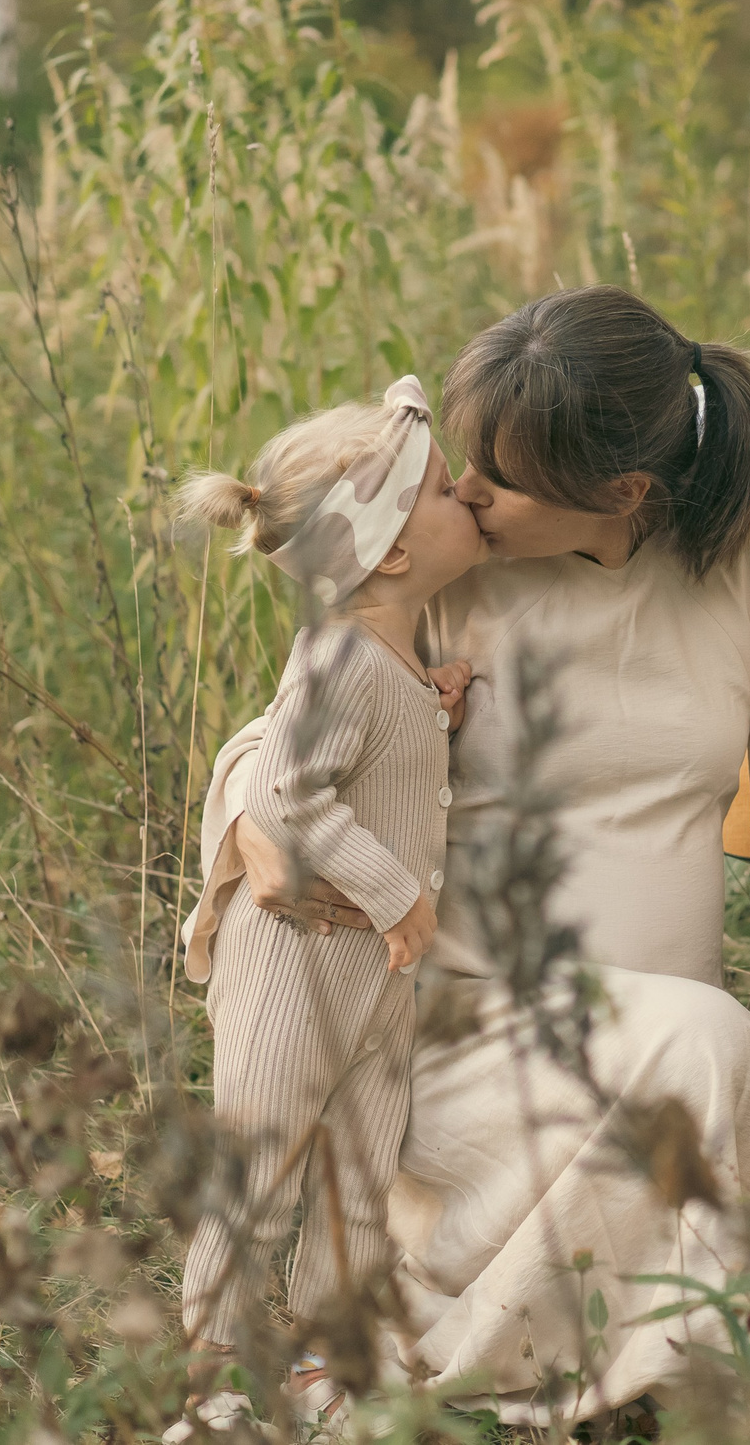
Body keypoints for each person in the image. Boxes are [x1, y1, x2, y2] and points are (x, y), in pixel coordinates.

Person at [199, 285, 750, 1427]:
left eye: (499, 475)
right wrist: (248, 812)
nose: (464, 487)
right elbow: (287, 731)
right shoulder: (444, 565)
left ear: (622, 492)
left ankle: (686, 1319)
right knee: (702, 1052)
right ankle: (483, 1351)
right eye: (462, 456)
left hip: (653, 1035)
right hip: (455, 1032)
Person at [169, 376, 483, 1434]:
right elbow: (285, 794)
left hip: (374, 973)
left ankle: (319, 1356)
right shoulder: (342, 656)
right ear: (393, 550)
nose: (469, 495)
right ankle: (208, 1368)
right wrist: (401, 899)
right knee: (263, 1155)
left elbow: (373, 762)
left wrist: (437, 700)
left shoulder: (385, 654)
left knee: (359, 1158)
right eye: (445, 490)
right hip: (300, 957)